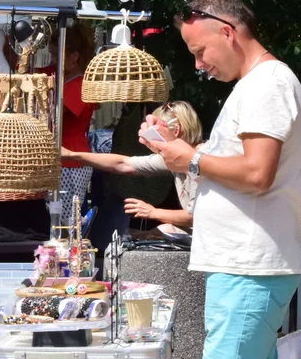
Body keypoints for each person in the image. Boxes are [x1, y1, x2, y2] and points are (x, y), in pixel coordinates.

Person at [141, 0, 301, 359]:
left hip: (249, 264)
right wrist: (178, 152)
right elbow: (241, 169)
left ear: (228, 33)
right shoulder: (261, 84)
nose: (199, 64)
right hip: (251, 263)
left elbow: (257, 173)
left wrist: (191, 158)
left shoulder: (264, 86)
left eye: (200, 51)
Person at [61, 100, 203, 227]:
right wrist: (71, 155)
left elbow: (195, 216)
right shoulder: (171, 158)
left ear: (176, 131)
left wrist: (152, 212)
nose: (150, 143)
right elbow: (123, 163)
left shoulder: (202, 161)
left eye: (153, 135)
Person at [43, 25, 97, 222]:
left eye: (57, 55)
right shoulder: (64, 78)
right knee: (56, 217)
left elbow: (53, 114)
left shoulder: (80, 84)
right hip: (63, 159)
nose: (53, 61)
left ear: (74, 56)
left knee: (65, 221)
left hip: (71, 162)